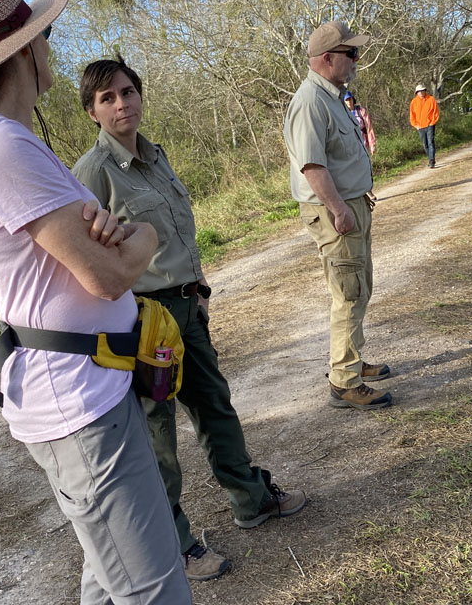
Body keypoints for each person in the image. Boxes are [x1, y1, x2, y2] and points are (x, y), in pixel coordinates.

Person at [0, 0, 191, 604]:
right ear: (21, 52)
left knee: (108, 581)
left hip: (90, 388)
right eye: (46, 35)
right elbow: (107, 273)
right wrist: (143, 234)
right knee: (154, 589)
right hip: (79, 404)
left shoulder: (2, 140)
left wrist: (117, 243)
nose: (50, 46)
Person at [72, 55, 306, 582]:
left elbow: (181, 229)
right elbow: (88, 263)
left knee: (215, 406)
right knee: (158, 436)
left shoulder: (157, 157)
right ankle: (172, 545)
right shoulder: (92, 173)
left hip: (186, 308)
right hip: (143, 322)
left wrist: (198, 288)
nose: (122, 103)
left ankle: (251, 499)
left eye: (128, 91)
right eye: (107, 98)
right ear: (92, 112)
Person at [283, 21, 393, 411]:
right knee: (348, 293)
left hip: (349, 204)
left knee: (359, 286)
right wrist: (340, 209)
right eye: (351, 53)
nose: (356, 60)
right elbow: (312, 167)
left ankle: (351, 361)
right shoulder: (310, 101)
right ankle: (344, 381)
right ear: (328, 58)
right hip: (335, 211)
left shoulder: (332, 97)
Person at [344, 90, 377, 200]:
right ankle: (363, 192)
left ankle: (368, 190)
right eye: (346, 100)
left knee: (366, 168)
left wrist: (372, 145)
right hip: (351, 147)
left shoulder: (361, 111)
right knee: (355, 170)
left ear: (353, 99)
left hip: (363, 144)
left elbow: (369, 128)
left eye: (350, 99)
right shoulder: (343, 114)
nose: (349, 102)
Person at [410, 83, 440, 168]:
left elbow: (436, 112)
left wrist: (432, 122)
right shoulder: (413, 102)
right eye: (419, 91)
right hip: (420, 127)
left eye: (422, 91)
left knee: (430, 142)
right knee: (425, 144)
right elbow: (412, 115)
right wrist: (415, 125)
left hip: (430, 125)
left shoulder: (431, 99)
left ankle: (432, 161)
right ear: (416, 93)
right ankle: (430, 159)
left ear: (425, 91)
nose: (421, 92)